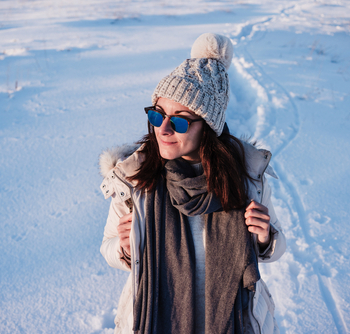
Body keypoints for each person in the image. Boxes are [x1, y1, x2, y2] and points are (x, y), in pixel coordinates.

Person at [99, 33, 286, 334]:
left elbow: (275, 249)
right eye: (158, 115)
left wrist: (264, 236)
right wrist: (124, 246)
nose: (164, 128)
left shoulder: (245, 177)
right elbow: (109, 249)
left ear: (208, 128)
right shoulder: (136, 179)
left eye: (181, 120)